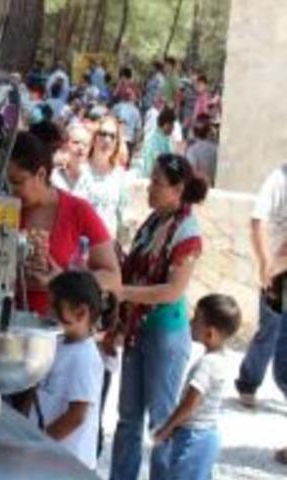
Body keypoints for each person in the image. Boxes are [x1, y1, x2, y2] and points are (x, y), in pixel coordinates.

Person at [109, 153, 209, 480]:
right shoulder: (154, 223)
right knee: (127, 420)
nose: (150, 188)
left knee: (161, 422)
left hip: (164, 334)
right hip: (140, 329)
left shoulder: (187, 231)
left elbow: (172, 290)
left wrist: (124, 293)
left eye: (157, 182)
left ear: (178, 189)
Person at [6, 132, 120, 316]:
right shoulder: (3, 207)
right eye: (5, 182)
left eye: (17, 182)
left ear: (41, 174)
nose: (10, 189)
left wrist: (65, 281)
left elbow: (113, 278)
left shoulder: (79, 211)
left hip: (60, 328)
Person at [154, 294, 241, 480]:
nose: (191, 322)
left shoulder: (207, 364)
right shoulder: (221, 360)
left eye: (196, 319)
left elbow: (190, 403)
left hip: (193, 439)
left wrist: (167, 427)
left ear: (210, 333)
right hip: (205, 436)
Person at [26, 271, 105, 470]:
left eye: (54, 306)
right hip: (47, 455)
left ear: (80, 313)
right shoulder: (58, 343)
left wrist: (40, 442)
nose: (47, 312)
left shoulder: (84, 358)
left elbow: (76, 416)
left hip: (67, 464)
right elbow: (37, 389)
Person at [235, 164, 287, 408]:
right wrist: (266, 262)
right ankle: (249, 381)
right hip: (278, 272)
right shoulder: (278, 179)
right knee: (271, 329)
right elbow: (259, 221)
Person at [74, 116, 129, 239]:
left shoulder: (120, 175)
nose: (107, 140)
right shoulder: (80, 170)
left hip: (107, 248)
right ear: (94, 139)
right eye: (103, 134)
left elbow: (122, 218)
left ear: (116, 143)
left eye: (112, 136)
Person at [51, 123, 91, 192]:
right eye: (76, 142)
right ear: (65, 145)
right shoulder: (54, 177)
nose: (81, 147)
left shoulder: (92, 177)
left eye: (85, 144)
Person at [141, 108, 176, 177]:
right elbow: (160, 159)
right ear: (166, 124)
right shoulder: (153, 138)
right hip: (153, 179)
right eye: (172, 125)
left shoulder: (167, 139)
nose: (173, 128)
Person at [185, 115, 218, 186]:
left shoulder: (192, 150)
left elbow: (190, 172)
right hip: (213, 187)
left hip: (198, 189)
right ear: (208, 131)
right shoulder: (216, 149)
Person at [111, 88, 142, 158]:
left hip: (117, 138)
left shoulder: (116, 107)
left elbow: (110, 121)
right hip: (129, 140)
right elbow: (138, 130)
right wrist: (136, 145)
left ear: (122, 96)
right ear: (132, 98)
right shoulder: (136, 111)